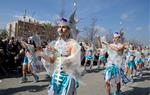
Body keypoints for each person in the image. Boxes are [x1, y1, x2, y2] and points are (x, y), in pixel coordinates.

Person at [38, 18, 81, 95]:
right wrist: (42, 54)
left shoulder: (73, 44)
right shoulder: (56, 44)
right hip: (56, 76)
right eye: (59, 27)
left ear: (68, 30)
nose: (60, 29)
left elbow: (74, 61)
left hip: (67, 77)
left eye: (63, 27)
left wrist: (56, 52)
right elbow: (52, 60)